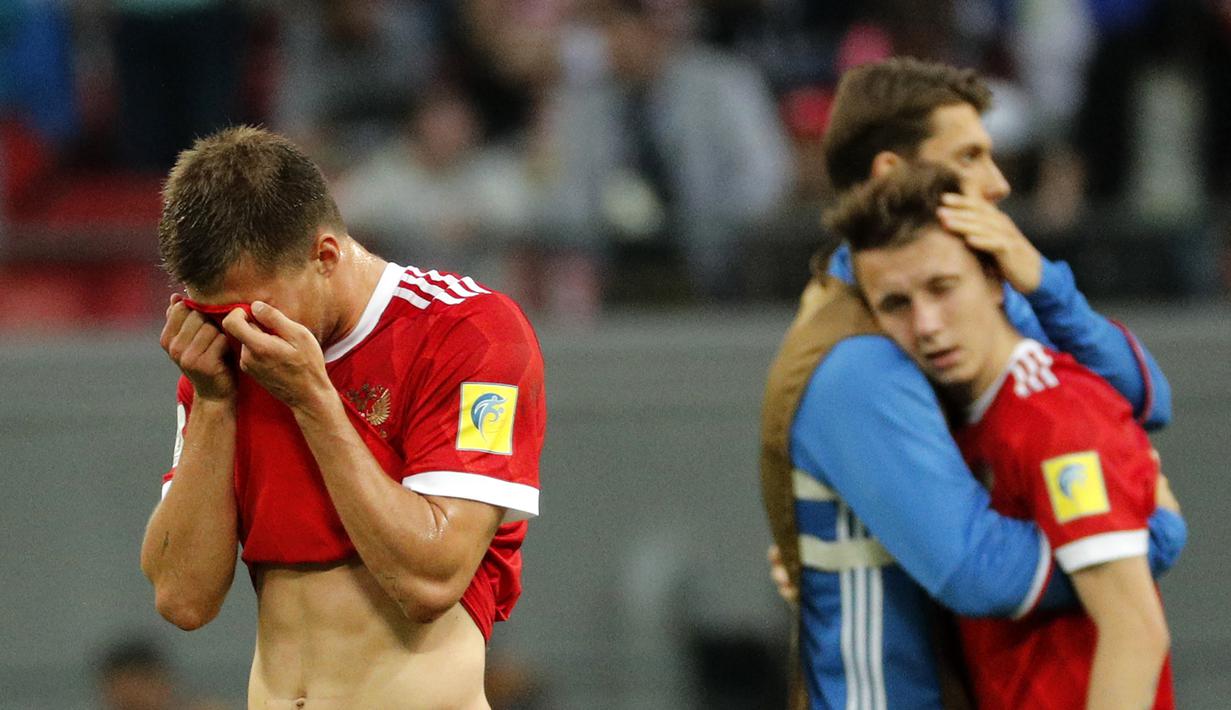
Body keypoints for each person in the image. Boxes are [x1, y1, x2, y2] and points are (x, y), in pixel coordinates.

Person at [759, 57, 1183, 709]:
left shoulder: (965, 316)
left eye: (943, 289)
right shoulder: (858, 358)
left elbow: (1141, 396)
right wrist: (1143, 532)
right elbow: (977, 573)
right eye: (969, 157)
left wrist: (1044, 282)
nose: (997, 182)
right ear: (893, 176)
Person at [139, 126, 545, 708]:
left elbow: (430, 580)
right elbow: (182, 599)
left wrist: (314, 400)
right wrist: (213, 402)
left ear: (325, 256)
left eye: (255, 308)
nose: (235, 329)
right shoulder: (225, 359)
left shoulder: (470, 333)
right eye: (212, 311)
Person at [832, 164, 1173, 708]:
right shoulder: (945, 419)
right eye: (896, 304)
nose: (927, 324)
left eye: (943, 288)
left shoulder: (1058, 417)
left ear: (994, 281)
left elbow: (1136, 633)